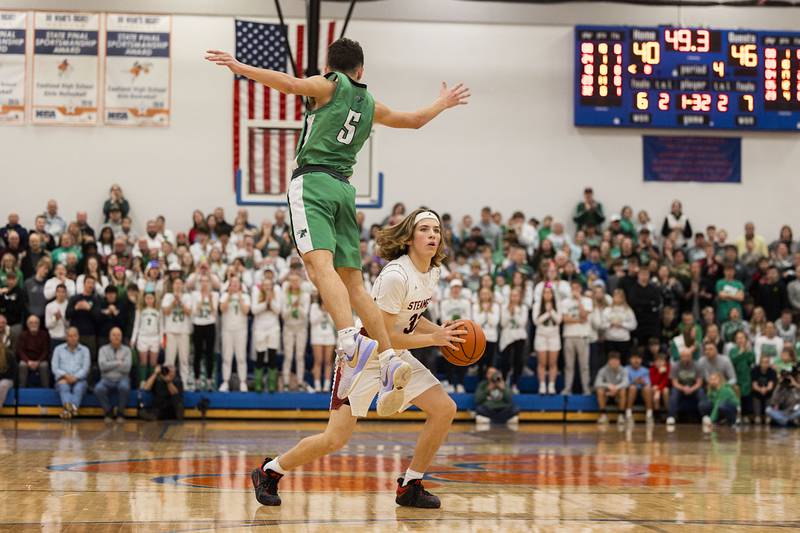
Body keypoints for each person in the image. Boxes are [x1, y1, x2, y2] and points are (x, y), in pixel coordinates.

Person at [207, 39, 470, 419]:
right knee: (354, 282)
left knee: (318, 266)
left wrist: (239, 66)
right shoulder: (369, 103)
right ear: (361, 71)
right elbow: (413, 121)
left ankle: (349, 340)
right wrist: (441, 104)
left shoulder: (329, 86)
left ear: (329, 66)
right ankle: (390, 356)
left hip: (313, 181)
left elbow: (292, 85)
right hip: (346, 191)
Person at [250, 209, 463, 509]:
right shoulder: (395, 276)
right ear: (409, 238)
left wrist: (437, 330)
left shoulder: (433, 271)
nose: (432, 235)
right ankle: (269, 471)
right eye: (424, 229)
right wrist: (434, 340)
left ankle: (410, 485)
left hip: (395, 356)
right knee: (333, 439)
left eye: (436, 230)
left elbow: (411, 316)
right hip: (366, 357)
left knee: (444, 408)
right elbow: (383, 335)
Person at [439, 278, 472, 393]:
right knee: (449, 359)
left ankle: (460, 383)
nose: (456, 290)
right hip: (448, 333)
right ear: (451, 289)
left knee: (462, 358)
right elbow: (443, 319)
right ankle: (451, 382)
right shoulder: (444, 303)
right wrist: (456, 322)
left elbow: (468, 318)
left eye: (458, 287)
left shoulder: (466, 303)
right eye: (454, 287)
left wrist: (457, 323)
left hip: (463, 334)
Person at [65, 276, 101, 380]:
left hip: (90, 334)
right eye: (88, 282)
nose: (90, 285)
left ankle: (88, 383)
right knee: (74, 359)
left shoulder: (96, 299)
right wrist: (76, 308)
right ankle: (72, 379)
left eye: (92, 283)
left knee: (89, 360)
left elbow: (98, 318)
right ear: (84, 284)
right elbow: (67, 315)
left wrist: (89, 309)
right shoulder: (75, 298)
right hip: (75, 335)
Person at [218, 276, 251, 392]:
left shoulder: (245, 296)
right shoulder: (224, 295)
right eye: (233, 283)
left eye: (237, 283)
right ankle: (225, 381)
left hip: (241, 330)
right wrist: (229, 295)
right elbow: (222, 309)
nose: (235, 285)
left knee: (241, 357)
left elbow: (246, 311)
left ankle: (243, 382)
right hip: (227, 330)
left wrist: (240, 296)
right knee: (227, 357)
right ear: (229, 284)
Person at [561, 280, 592, 395]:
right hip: (569, 336)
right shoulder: (565, 302)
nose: (575, 290)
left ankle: (586, 389)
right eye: (573, 288)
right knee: (569, 365)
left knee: (584, 366)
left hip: (582, 336)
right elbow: (565, 319)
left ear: (581, 289)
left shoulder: (587, 301)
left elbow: (584, 315)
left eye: (577, 288)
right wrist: (579, 320)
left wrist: (579, 300)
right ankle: (567, 389)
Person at [280, 273, 310, 392]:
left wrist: (298, 307)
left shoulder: (305, 295)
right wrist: (292, 306)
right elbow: (283, 315)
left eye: (296, 281)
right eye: (292, 281)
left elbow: (305, 315)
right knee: (288, 356)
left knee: (299, 356)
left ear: (300, 282)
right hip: (288, 328)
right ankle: (286, 383)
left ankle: (300, 382)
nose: (294, 283)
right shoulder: (284, 295)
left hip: (301, 328)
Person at [94, 327, 132, 422]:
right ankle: (108, 412)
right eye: (114, 335)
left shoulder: (127, 350)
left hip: (122, 378)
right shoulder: (103, 349)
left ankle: (120, 413)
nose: (116, 337)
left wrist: (110, 364)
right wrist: (118, 363)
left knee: (124, 387)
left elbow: (127, 368)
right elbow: (102, 366)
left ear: (121, 337)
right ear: (109, 337)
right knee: (98, 388)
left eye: (118, 335)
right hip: (106, 379)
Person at [51, 327, 90, 419]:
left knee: (79, 388)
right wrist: (66, 376)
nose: (72, 338)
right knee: (63, 387)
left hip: (80, 380)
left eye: (75, 336)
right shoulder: (58, 349)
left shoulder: (85, 350)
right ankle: (72, 410)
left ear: (78, 337)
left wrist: (74, 378)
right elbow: (55, 368)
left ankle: (67, 411)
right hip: (62, 379)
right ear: (66, 337)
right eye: (70, 336)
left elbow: (85, 369)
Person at [161, 279, 193, 389]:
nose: (178, 285)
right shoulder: (167, 296)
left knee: (184, 360)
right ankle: (167, 384)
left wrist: (180, 302)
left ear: (183, 285)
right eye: (176, 283)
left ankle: (184, 384)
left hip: (184, 331)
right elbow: (165, 312)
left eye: (180, 283)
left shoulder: (187, 297)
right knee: (169, 360)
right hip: (170, 331)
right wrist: (173, 302)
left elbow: (189, 312)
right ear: (173, 285)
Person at [252, 279, 282, 393]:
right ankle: (258, 383)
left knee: (272, 357)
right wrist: (266, 303)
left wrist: (271, 301)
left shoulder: (276, 296)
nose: (268, 288)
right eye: (265, 286)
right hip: (260, 329)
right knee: (260, 356)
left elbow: (278, 310)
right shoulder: (257, 295)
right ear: (262, 287)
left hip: (273, 328)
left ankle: (271, 384)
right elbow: (254, 310)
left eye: (270, 286)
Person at [191, 276, 218, 391]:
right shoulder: (194, 295)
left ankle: (209, 380)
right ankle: (196, 380)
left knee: (209, 353)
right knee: (197, 354)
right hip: (198, 325)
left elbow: (214, 313)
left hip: (210, 325)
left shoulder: (214, 295)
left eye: (206, 281)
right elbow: (194, 312)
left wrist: (210, 300)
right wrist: (202, 299)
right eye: (202, 281)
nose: (204, 284)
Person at [534, 285, 562, 395]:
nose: (547, 294)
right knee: (542, 363)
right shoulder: (537, 305)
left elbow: (559, 320)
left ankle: (551, 385)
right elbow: (536, 321)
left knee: (553, 363)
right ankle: (542, 385)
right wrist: (547, 313)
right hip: (541, 335)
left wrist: (552, 311)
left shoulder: (557, 305)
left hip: (554, 336)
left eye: (549, 292)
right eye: (545, 292)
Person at [666, 348, 706, 427]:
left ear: (691, 356)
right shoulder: (675, 366)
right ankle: (671, 416)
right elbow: (674, 383)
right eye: (683, 356)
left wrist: (691, 388)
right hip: (680, 388)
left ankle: (705, 416)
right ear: (680, 357)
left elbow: (699, 382)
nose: (686, 358)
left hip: (694, 387)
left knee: (701, 391)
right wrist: (684, 388)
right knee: (674, 392)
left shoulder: (697, 365)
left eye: (688, 356)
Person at [131, 291, 162, 387]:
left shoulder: (158, 311)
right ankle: (143, 381)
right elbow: (136, 326)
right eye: (147, 298)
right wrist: (133, 339)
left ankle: (152, 382)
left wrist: (161, 340)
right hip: (143, 337)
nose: (149, 300)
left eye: (151, 298)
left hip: (154, 338)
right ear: (144, 299)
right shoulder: (140, 311)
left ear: (154, 299)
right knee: (143, 362)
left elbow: (161, 327)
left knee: (153, 362)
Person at [601, 289, 637, 363]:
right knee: (610, 361)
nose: (617, 299)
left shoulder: (628, 310)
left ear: (623, 298)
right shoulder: (607, 310)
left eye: (619, 297)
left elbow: (633, 325)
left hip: (623, 340)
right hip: (610, 340)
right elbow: (601, 325)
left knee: (622, 362)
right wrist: (611, 324)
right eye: (615, 296)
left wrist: (622, 324)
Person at [309, 295, 336, 393]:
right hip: (317, 336)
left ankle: (326, 386)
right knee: (318, 361)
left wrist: (328, 311)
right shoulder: (314, 307)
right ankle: (317, 385)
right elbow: (312, 321)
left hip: (329, 336)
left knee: (328, 361)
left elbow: (334, 323)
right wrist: (322, 312)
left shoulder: (332, 306)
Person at [594, 351, 628, 425]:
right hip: (607, 392)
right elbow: (597, 383)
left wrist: (616, 387)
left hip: (618, 392)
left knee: (623, 390)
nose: (614, 362)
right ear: (608, 361)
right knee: (599, 390)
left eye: (616, 360)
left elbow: (626, 382)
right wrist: (608, 386)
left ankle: (621, 415)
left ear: (619, 361)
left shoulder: (623, 370)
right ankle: (603, 415)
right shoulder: (602, 370)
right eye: (612, 360)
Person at [473, 287, 500, 378]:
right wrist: (484, 311)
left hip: (492, 337)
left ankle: (490, 384)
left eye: (487, 293)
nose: (485, 296)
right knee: (480, 363)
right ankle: (480, 383)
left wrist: (487, 311)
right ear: (479, 296)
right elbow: (477, 322)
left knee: (490, 363)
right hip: (480, 337)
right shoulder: (476, 306)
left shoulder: (495, 306)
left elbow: (495, 322)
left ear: (490, 295)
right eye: (482, 294)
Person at [16, 315, 50, 388]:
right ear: (27, 325)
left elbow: (46, 351)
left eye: (36, 322)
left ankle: (46, 389)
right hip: (27, 360)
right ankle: (22, 389)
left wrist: (38, 361)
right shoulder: (23, 335)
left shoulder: (44, 334)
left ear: (39, 324)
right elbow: (20, 351)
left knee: (44, 365)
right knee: (22, 365)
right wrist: (28, 361)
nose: (33, 324)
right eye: (31, 323)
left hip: (40, 360)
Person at [728, 330, 755, 421]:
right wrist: (740, 353)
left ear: (746, 339)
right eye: (738, 338)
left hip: (746, 379)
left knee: (747, 398)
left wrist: (746, 352)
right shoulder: (733, 350)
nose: (740, 340)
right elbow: (732, 361)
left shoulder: (749, 351)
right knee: (736, 399)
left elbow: (751, 360)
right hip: (736, 378)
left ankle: (747, 417)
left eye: (742, 338)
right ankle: (736, 417)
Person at [625, 349, 653, 423]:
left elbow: (648, 383)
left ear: (641, 360)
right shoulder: (625, 369)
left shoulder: (646, 370)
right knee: (632, 388)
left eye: (638, 358)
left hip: (643, 393)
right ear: (630, 359)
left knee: (647, 388)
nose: (636, 360)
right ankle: (628, 414)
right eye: (634, 358)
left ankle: (649, 414)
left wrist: (642, 382)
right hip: (629, 393)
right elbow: (624, 383)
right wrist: (633, 382)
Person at [751, 354, 777, 424]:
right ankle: (757, 416)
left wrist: (765, 389)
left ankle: (768, 416)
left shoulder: (772, 371)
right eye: (763, 362)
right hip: (757, 393)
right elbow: (754, 385)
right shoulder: (755, 370)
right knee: (755, 396)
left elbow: (771, 385)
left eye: (767, 362)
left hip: (768, 393)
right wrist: (760, 389)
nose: (765, 364)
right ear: (760, 363)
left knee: (770, 396)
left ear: (769, 363)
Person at [649, 351, 670, 417]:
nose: (659, 363)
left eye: (661, 361)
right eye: (657, 361)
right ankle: (656, 414)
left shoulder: (668, 368)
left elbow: (666, 381)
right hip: (656, 387)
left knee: (665, 390)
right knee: (653, 388)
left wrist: (658, 390)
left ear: (665, 362)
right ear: (654, 362)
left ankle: (668, 412)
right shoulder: (652, 369)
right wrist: (659, 372)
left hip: (665, 387)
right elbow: (653, 381)